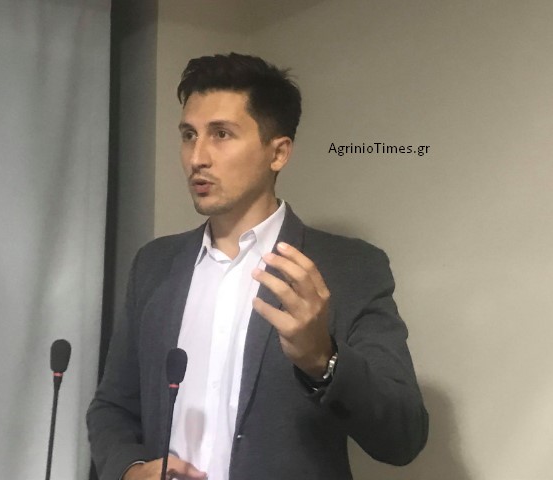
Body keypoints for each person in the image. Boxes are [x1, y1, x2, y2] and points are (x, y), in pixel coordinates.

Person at [87, 52, 428, 480]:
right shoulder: (154, 265)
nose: (197, 157)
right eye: (189, 135)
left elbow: (403, 438)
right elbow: (112, 407)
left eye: (221, 134)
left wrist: (324, 359)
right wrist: (130, 470)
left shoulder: (349, 269)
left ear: (278, 152)